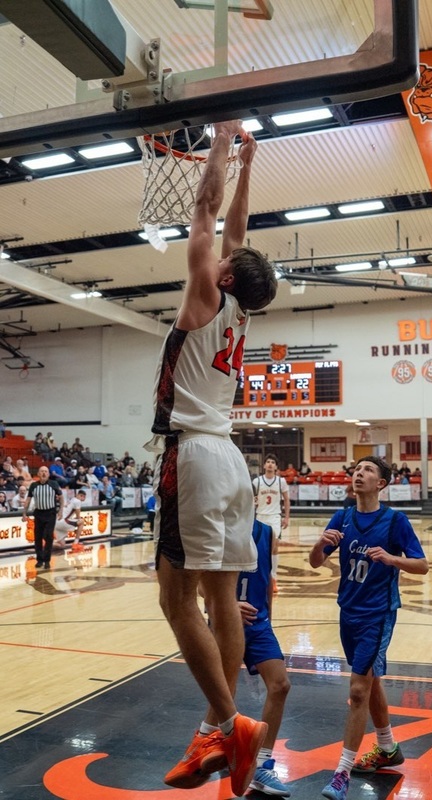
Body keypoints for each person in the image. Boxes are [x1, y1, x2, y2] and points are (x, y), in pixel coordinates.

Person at [146, 119, 277, 798]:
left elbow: (206, 211)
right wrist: (249, 162)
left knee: (174, 599)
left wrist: (224, 140)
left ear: (224, 274)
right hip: (230, 460)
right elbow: (238, 231)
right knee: (221, 599)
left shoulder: (204, 295)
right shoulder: (241, 312)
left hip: (192, 456)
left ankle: (228, 724)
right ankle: (215, 728)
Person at [309, 456, 428, 800]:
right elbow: (316, 562)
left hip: (378, 614)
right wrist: (319, 545)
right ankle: (388, 748)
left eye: (368, 471)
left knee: (359, 690)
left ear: (382, 484)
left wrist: (392, 560)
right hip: (348, 612)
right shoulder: (342, 517)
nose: (359, 474)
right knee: (370, 681)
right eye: (357, 469)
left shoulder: (395, 521)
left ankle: (341, 774)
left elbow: (422, 565)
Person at [200, 519, 291, 796]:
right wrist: (225, 606)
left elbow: (266, 581)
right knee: (225, 691)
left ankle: (261, 764)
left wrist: (270, 620)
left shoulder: (266, 531)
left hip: (259, 622)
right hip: (226, 619)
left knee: (280, 685)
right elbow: (201, 583)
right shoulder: (218, 528)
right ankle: (205, 745)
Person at [252, 454, 290, 593]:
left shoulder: (281, 482)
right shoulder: (257, 481)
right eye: (267, 462)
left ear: (276, 466)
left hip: (274, 516)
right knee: (259, 548)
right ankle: (259, 576)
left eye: (272, 462)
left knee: (274, 546)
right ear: (264, 465)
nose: (269, 464)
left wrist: (286, 517)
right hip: (260, 516)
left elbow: (286, 500)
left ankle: (273, 578)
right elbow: (252, 500)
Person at [23, 465, 64, 570]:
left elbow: (61, 497)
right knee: (37, 537)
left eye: (46, 471)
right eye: (42, 471)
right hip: (38, 513)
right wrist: (24, 513)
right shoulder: (33, 485)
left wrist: (61, 510)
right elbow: (28, 500)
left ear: (49, 474)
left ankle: (47, 560)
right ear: (38, 474)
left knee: (48, 536)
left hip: (50, 513)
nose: (44, 473)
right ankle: (39, 560)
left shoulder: (53, 484)